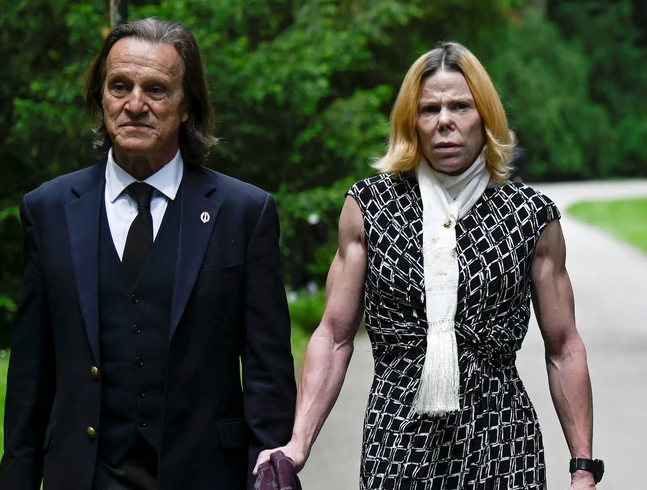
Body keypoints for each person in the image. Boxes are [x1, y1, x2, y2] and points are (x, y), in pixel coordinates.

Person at [257, 42, 602, 489]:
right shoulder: (369, 207)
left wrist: (583, 466)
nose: (444, 121)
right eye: (429, 109)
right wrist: (298, 443)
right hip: (397, 442)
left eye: (460, 106)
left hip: (502, 441)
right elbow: (335, 335)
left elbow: (564, 346)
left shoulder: (529, 214)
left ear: (485, 116)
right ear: (411, 122)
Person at [0, 18, 297, 490]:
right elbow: (28, 382)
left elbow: (268, 378)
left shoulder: (244, 214)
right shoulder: (48, 210)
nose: (135, 105)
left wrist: (269, 477)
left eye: (156, 90)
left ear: (186, 106)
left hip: (205, 476)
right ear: (101, 96)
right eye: (119, 86)